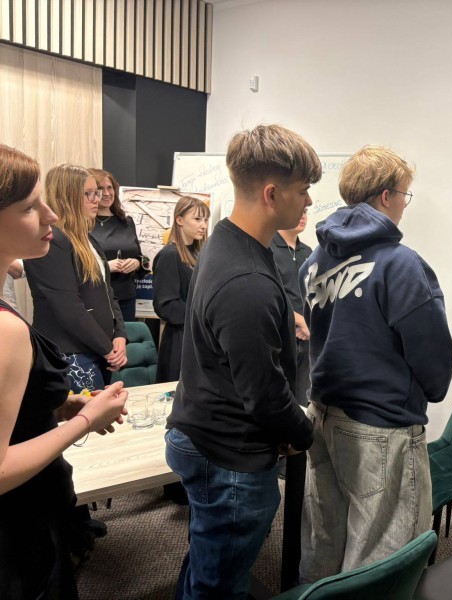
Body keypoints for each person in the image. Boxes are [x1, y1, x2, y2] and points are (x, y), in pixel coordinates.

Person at [165, 124, 318, 600]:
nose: (309, 201)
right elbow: (265, 395)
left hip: (207, 434)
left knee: (208, 560)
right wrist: (303, 432)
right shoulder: (246, 279)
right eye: (303, 190)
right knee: (219, 585)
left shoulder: (228, 241)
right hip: (228, 455)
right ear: (272, 194)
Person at [298, 146, 452, 582]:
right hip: (380, 425)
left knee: (325, 536)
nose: (405, 204)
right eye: (405, 195)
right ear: (386, 196)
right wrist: (432, 390)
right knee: (380, 556)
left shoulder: (314, 261)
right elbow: (431, 349)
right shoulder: (400, 263)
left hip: (324, 414)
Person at [0, 144, 128, 599]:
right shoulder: (6, 330)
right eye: (29, 207)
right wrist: (84, 420)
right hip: (20, 528)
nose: (50, 215)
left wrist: (58, 410)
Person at [25, 164, 128, 392]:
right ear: (67, 197)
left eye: (96, 192)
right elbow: (68, 307)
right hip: (70, 353)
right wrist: (107, 347)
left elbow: (108, 293)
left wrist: (120, 335)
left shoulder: (88, 240)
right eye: (88, 194)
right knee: (86, 415)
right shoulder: (52, 241)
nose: (97, 200)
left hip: (99, 350)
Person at [153, 196, 209, 383]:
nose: (203, 225)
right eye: (197, 219)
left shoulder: (199, 253)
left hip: (197, 338)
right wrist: (203, 316)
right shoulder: (169, 255)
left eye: (206, 219)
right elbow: (166, 306)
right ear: (179, 220)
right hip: (180, 340)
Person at [90, 168, 146, 322]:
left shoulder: (126, 222)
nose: (107, 193)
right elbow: (77, 267)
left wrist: (136, 263)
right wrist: (106, 266)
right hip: (97, 298)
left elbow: (142, 258)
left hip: (126, 298)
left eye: (110, 188)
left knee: (126, 336)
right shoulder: (84, 225)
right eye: (100, 189)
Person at [270, 209, 312, 407]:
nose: (303, 215)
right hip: (280, 335)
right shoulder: (268, 248)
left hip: (306, 338)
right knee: (279, 399)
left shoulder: (308, 253)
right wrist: (297, 319)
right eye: (299, 210)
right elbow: (270, 294)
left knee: (303, 400)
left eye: (306, 212)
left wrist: (309, 323)